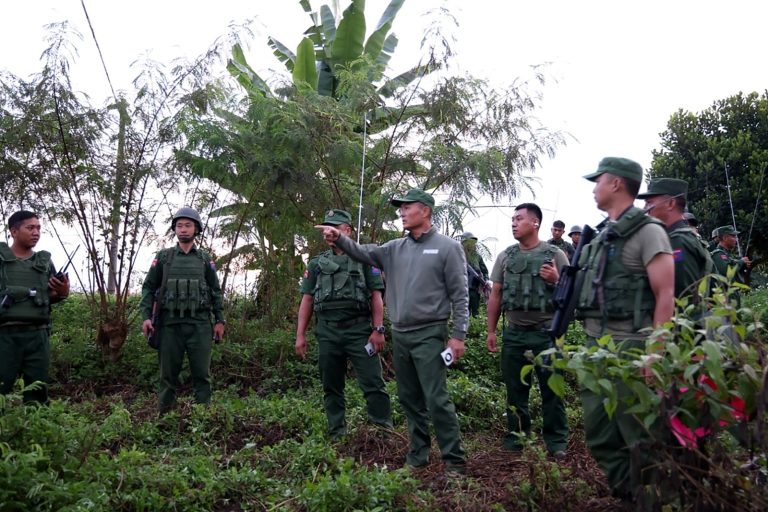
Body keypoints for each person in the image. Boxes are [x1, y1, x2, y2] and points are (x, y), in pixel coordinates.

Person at [314, 189, 468, 475]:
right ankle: (418, 456)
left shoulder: (447, 247)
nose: (401, 212)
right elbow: (362, 252)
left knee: (436, 398)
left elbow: (460, 294)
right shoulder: (394, 249)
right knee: (409, 398)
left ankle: (454, 462)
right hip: (402, 335)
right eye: (401, 208)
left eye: (407, 208)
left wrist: (458, 335)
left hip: (430, 333)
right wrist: (340, 238)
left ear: (425, 210)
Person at [577, 157, 675, 501]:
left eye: (598, 180)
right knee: (599, 432)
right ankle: (626, 494)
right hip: (595, 344)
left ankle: (651, 499)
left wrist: (655, 352)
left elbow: (666, 295)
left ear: (616, 183)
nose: (594, 188)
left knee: (639, 433)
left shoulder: (649, 232)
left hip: (632, 345)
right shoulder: (602, 236)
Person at [295, 209, 392, 439]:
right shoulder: (317, 263)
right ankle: (337, 433)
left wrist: (378, 329)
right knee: (331, 386)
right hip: (327, 331)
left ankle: (384, 433)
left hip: (359, 331)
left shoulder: (365, 259)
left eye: (335, 227)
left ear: (347, 230)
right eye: (327, 227)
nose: (329, 232)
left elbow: (376, 296)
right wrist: (300, 335)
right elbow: (307, 299)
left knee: (373, 383)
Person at [485, 203, 569, 457]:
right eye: (512, 219)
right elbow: (496, 295)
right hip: (514, 333)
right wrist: (491, 331)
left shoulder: (555, 255)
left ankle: (556, 442)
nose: (513, 223)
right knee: (515, 390)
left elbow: (571, 295)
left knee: (552, 390)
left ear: (535, 223)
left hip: (548, 333)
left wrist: (557, 280)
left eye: (519, 219)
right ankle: (517, 437)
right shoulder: (505, 256)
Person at [140, 207, 225, 413]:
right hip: (170, 325)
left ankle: (202, 420)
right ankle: (165, 420)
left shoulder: (204, 259)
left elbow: (215, 291)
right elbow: (148, 288)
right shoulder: (164, 258)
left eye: (188, 225)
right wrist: (146, 318)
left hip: (200, 325)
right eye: (179, 226)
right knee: (168, 376)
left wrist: (220, 321)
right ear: (174, 229)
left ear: (196, 229)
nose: (183, 230)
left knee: (202, 376)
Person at [0, 211, 70, 404]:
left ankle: (35, 432)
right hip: (5, 336)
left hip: (37, 335)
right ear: (14, 231)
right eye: (30, 228)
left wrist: (62, 291)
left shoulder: (44, 262)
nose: (36, 232)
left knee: (37, 392)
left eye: (38, 228)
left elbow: (52, 295)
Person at [638, 178, 713, 299]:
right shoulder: (680, 237)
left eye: (649, 202)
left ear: (670, 203)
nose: (646, 209)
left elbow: (682, 297)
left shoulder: (677, 241)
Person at [459, 232, 489, 317]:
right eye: (469, 242)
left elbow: (485, 271)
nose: (471, 244)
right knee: (463, 313)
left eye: (473, 242)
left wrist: (485, 281)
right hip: (462, 290)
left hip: (475, 290)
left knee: (476, 313)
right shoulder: (458, 255)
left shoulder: (477, 257)